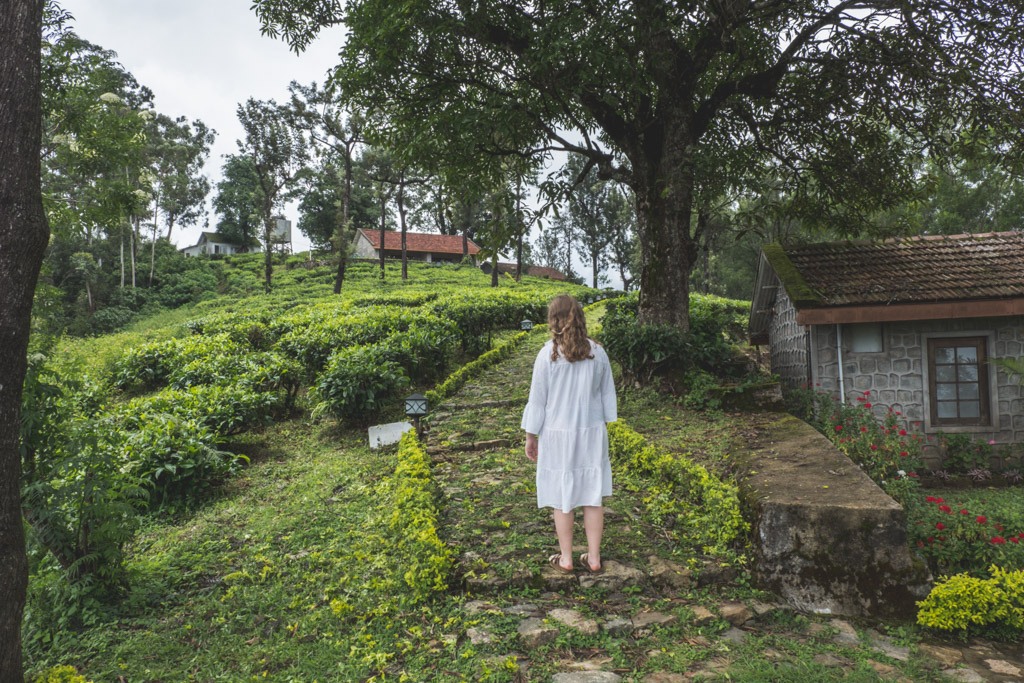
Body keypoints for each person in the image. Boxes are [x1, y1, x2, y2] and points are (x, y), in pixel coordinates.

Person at [522, 294, 617, 574]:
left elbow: (538, 400)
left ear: (554, 320)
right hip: (591, 432)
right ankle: (595, 557)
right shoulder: (597, 352)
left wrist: (531, 435)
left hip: (557, 434)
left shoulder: (547, 355)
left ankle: (566, 558)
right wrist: (605, 422)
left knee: (563, 496)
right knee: (592, 495)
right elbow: (606, 394)